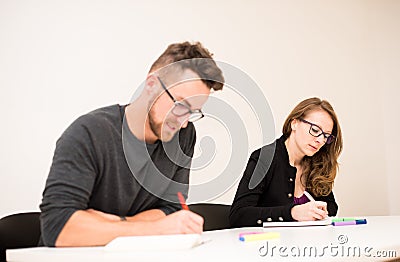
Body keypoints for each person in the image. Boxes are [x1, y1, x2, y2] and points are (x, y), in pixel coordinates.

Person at [39, 41, 225, 247]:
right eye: (181, 105)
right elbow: (58, 229)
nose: (183, 123)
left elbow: (171, 209)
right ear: (152, 84)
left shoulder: (184, 136)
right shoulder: (89, 133)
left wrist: (117, 223)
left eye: (193, 112)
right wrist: (156, 228)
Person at [229, 97, 343, 227]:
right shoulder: (265, 158)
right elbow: (238, 215)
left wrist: (321, 211)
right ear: (294, 123)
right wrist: (292, 213)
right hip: (266, 244)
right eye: (315, 130)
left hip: (307, 244)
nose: (320, 140)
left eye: (326, 136)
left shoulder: (317, 163)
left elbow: (332, 207)